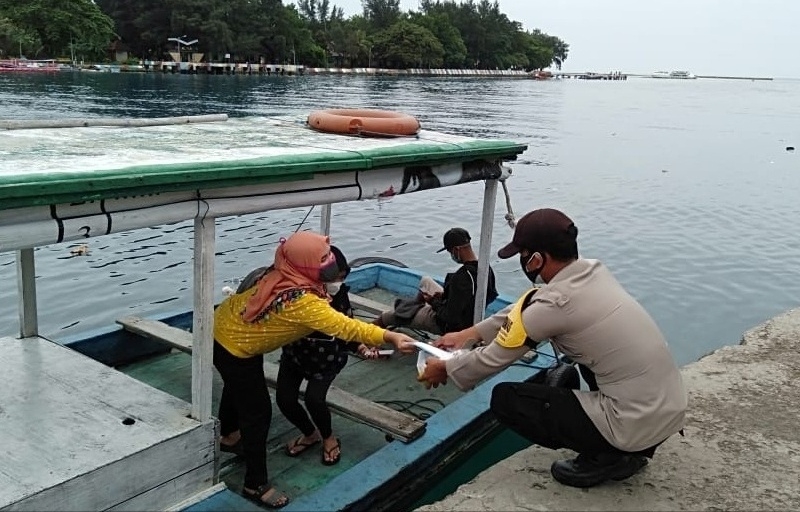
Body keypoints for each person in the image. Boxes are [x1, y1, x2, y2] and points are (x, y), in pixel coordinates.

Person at [418, 208, 687, 488]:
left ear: (536, 259)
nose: (522, 263)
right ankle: (625, 444)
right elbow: (529, 305)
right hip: (668, 408)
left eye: (522, 255)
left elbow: (492, 359)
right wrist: (469, 333)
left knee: (506, 399)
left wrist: (446, 368)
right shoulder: (592, 272)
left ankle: (609, 457)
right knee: (589, 360)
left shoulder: (558, 304)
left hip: (634, 424)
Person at [213, 231, 416, 508]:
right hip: (235, 347)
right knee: (258, 413)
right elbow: (346, 326)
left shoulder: (281, 272)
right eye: (322, 260)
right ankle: (255, 484)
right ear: (305, 264)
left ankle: (229, 435)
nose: (328, 265)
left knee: (237, 389)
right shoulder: (302, 301)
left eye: (327, 256)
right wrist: (390, 337)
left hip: (228, 328)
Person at [276, 245, 381, 466]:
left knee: (315, 399)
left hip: (327, 358)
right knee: (284, 399)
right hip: (295, 353)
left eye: (342, 278)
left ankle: (328, 436)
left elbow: (348, 326)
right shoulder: (296, 293)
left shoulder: (339, 294)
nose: (337, 284)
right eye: (335, 278)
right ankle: (309, 433)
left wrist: (360, 347)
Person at [374, 227, 498, 335]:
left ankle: (399, 318)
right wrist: (445, 297)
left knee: (387, 316)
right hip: (469, 315)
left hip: (449, 326)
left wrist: (434, 302)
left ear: (456, 250)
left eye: (450, 252)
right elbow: (490, 295)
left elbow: (449, 317)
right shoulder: (486, 268)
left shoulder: (461, 278)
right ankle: (409, 312)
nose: (452, 256)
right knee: (426, 281)